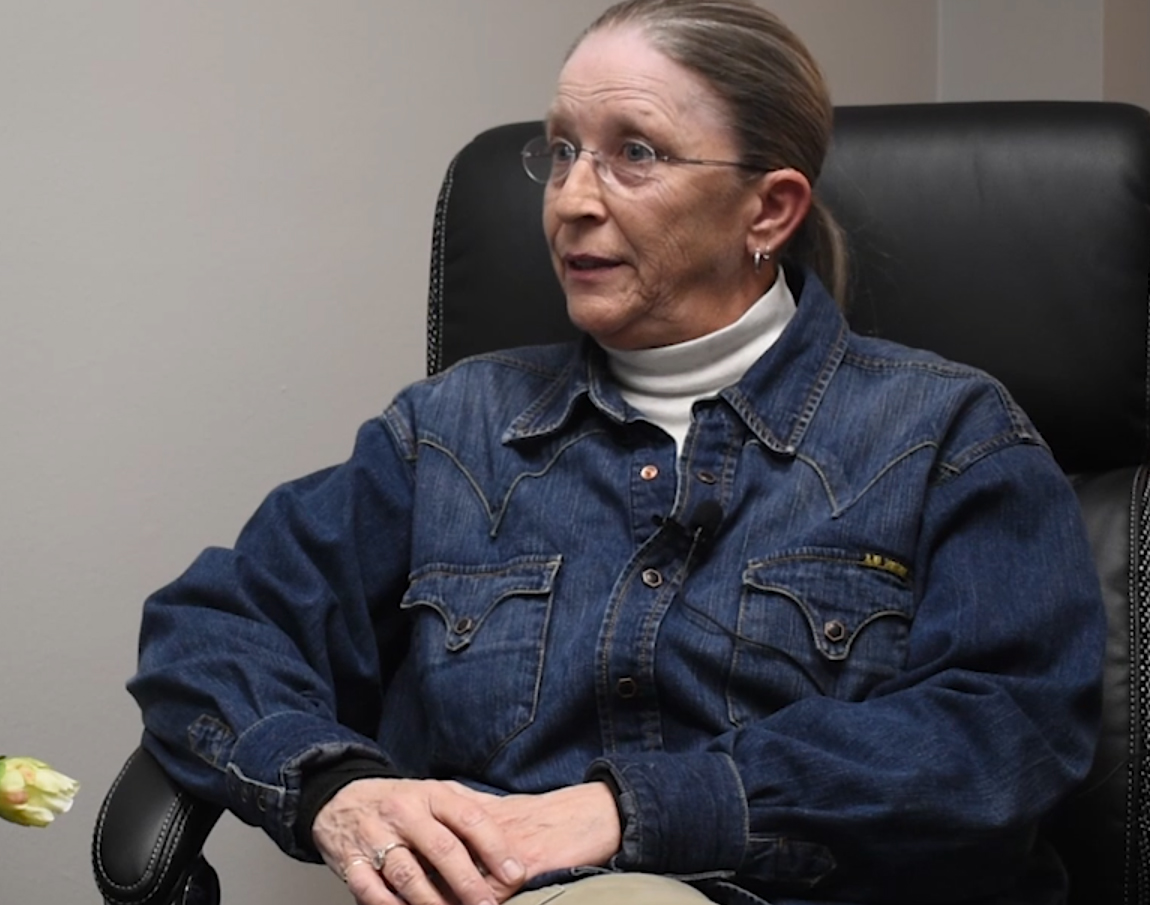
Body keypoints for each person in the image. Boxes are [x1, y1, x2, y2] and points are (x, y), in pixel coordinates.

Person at [128, 2, 1106, 904]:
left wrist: (632, 808)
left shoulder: (946, 435)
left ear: (767, 210)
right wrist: (333, 784)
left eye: (633, 152)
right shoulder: (449, 432)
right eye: (559, 153)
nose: (570, 201)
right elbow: (213, 628)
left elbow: (1004, 732)